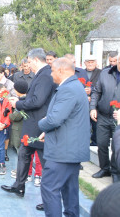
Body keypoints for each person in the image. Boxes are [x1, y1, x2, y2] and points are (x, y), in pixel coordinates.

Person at [38, 57, 90, 216]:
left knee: (49, 187)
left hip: (63, 151)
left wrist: (42, 123)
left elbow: (55, 119)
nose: (51, 75)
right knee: (69, 189)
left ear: (61, 70)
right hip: (70, 149)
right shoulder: (75, 86)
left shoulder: (68, 89)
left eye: (52, 71)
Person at [1, 48, 55, 202]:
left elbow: (38, 101)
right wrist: (21, 101)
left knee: (45, 162)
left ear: (36, 60)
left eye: (29, 62)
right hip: (32, 124)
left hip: (39, 126)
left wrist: (18, 103)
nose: (28, 65)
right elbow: (34, 97)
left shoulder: (45, 75)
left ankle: (50, 199)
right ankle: (19, 185)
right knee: (24, 154)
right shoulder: (42, 74)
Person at [90, 54, 120, 182]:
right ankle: (104, 168)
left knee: (116, 146)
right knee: (101, 143)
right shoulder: (105, 73)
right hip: (103, 114)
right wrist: (92, 108)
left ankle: (115, 172)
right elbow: (97, 92)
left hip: (118, 118)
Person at [85, 54, 102, 146]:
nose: (90, 64)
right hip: (83, 103)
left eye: (92, 62)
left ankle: (95, 142)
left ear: (96, 63)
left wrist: (92, 91)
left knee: (95, 124)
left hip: (96, 103)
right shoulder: (81, 72)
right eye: (88, 62)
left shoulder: (101, 72)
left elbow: (103, 87)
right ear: (85, 63)